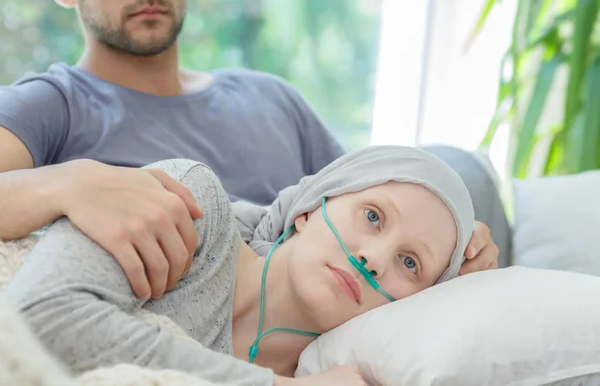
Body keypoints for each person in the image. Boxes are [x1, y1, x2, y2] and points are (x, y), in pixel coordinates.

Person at [0, 0, 499, 301]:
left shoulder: (272, 96)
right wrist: (68, 183)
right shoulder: (51, 105)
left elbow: (379, 216)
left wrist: (451, 238)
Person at [4, 145, 475, 386]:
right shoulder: (189, 205)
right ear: (311, 209)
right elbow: (40, 315)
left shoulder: (349, 374)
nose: (374, 259)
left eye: (410, 262)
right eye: (373, 216)